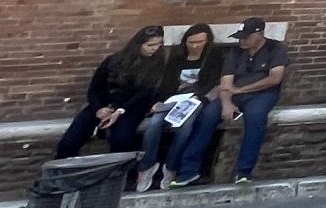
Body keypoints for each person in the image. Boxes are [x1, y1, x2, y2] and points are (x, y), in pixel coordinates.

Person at [176, 17, 289, 186]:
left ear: (259, 34)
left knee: (255, 115)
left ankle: (244, 171)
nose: (241, 40)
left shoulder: (276, 48)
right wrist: (227, 103)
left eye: (246, 37)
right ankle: (188, 171)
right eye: (240, 37)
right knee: (207, 115)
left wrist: (241, 90)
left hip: (263, 94)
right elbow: (226, 82)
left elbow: (275, 78)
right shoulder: (234, 52)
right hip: (233, 94)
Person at [57, 27, 166, 164]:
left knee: (121, 138)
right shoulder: (114, 60)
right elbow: (95, 87)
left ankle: (119, 171)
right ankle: (61, 169)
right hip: (104, 103)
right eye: (150, 45)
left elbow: (145, 93)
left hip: (131, 106)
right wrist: (98, 109)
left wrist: (120, 111)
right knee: (72, 137)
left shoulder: (156, 64)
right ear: (139, 44)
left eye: (159, 44)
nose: (155, 49)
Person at [138, 24, 226, 188]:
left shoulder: (213, 57)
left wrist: (200, 99)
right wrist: (159, 101)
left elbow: (213, 83)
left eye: (199, 42)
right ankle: (147, 166)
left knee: (184, 127)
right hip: (172, 99)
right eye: (190, 42)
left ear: (207, 41)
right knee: (154, 124)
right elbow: (166, 84)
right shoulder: (177, 58)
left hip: (195, 100)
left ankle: (171, 166)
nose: (194, 46)